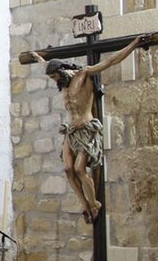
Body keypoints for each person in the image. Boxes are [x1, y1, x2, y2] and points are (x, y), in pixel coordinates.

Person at [29, 34, 149, 223]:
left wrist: (134, 44)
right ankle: (84, 204)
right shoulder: (63, 82)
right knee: (68, 169)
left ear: (63, 69)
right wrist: (36, 57)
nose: (54, 80)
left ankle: (93, 204)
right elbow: (44, 64)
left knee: (79, 169)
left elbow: (111, 61)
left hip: (86, 129)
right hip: (71, 131)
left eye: (55, 76)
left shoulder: (83, 75)